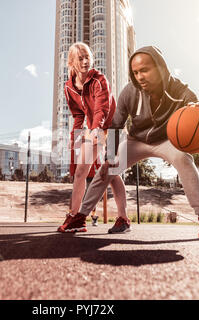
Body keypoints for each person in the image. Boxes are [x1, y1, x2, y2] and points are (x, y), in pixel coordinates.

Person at [62, 46, 199, 240]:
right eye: (136, 72)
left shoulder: (178, 89)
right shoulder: (130, 92)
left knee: (183, 158)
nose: (140, 76)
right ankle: (80, 217)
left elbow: (194, 107)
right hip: (136, 140)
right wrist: (111, 155)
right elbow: (116, 123)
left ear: (160, 67)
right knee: (107, 168)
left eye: (145, 70)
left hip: (166, 140)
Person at [57, 42, 128, 233]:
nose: (85, 61)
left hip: (112, 127)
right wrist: (76, 134)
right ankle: (75, 215)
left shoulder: (99, 80)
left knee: (111, 173)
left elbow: (101, 107)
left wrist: (96, 128)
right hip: (93, 128)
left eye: (87, 57)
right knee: (81, 171)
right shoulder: (69, 88)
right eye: (80, 58)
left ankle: (123, 218)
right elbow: (78, 114)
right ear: (72, 62)